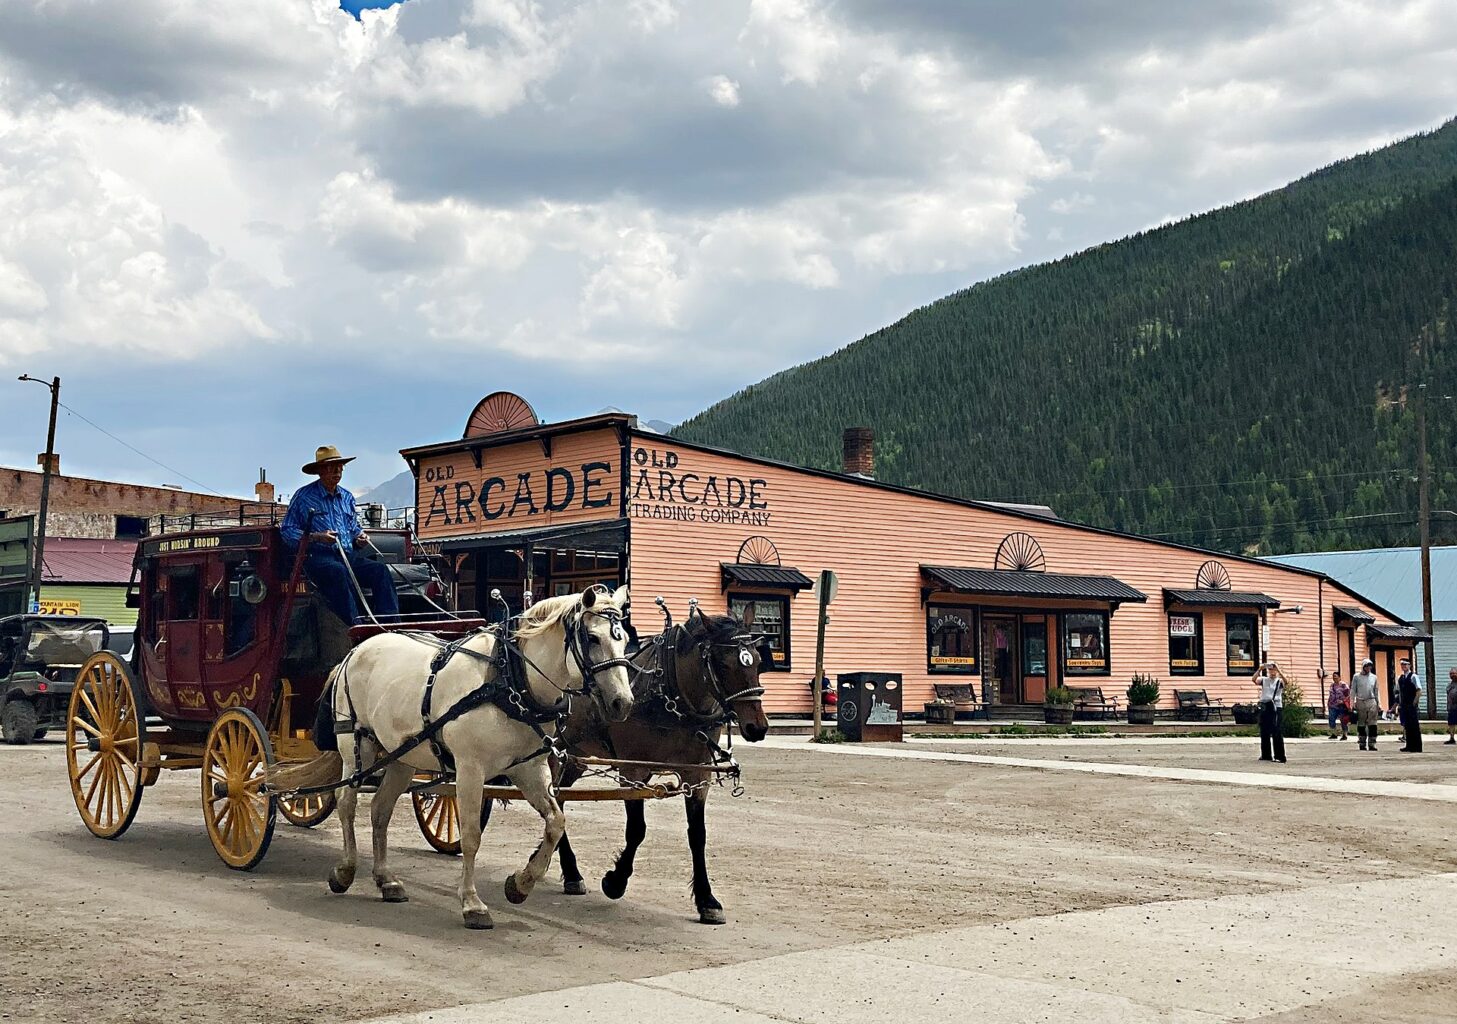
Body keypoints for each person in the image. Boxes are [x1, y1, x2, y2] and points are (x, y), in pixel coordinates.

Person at [280, 445, 400, 626]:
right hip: (317, 558)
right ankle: (355, 625)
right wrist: (316, 537)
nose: (337, 471)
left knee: (380, 571)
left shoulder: (347, 497)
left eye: (340, 466)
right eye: (331, 466)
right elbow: (287, 531)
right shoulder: (303, 497)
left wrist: (359, 538)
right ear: (320, 471)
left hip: (347, 556)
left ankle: (390, 624)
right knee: (338, 572)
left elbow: (353, 527)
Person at [1255, 660, 1286, 763]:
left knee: (1276, 730)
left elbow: (1286, 682)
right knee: (1264, 731)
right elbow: (1254, 679)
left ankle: (1280, 756)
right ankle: (1266, 754)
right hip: (1265, 705)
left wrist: (1279, 670)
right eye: (1270, 670)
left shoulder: (1279, 681)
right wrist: (1260, 669)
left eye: (1273, 670)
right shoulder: (1264, 680)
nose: (1272, 672)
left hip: (1276, 706)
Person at [1351, 658, 1381, 751]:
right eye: (1367, 666)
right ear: (1363, 667)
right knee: (1361, 723)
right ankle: (1362, 742)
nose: (1368, 668)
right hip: (1360, 701)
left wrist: (1379, 703)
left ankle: (1372, 743)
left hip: (1371, 701)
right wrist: (1352, 702)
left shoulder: (1374, 677)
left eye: (1370, 666)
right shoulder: (1356, 677)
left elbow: (1376, 691)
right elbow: (1353, 690)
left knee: (1372, 723)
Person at [1396, 657, 1423, 753]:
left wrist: (1414, 703)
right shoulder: (1401, 678)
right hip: (1404, 704)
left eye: (1405, 664)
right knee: (1407, 725)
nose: (1403, 666)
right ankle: (1409, 745)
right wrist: (1398, 704)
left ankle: (1417, 746)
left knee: (1414, 725)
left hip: (1411, 704)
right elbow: (1399, 692)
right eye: (1402, 664)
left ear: (1409, 665)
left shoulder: (1413, 676)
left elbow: (1419, 690)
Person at [1326, 669, 1351, 741]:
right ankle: (1334, 733)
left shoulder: (1344, 685)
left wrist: (1343, 701)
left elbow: (1349, 695)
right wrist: (1328, 704)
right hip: (1332, 705)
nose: (1334, 678)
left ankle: (1345, 734)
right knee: (1331, 719)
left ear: (1339, 677)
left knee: (1343, 720)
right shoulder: (1332, 685)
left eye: (1336, 677)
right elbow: (1331, 695)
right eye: (1333, 677)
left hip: (1341, 705)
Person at [1446, 668, 1457, 746]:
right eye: (1451, 674)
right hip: (1451, 708)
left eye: (1454, 673)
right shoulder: (1450, 685)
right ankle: (1452, 738)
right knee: (1451, 723)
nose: (1452, 675)